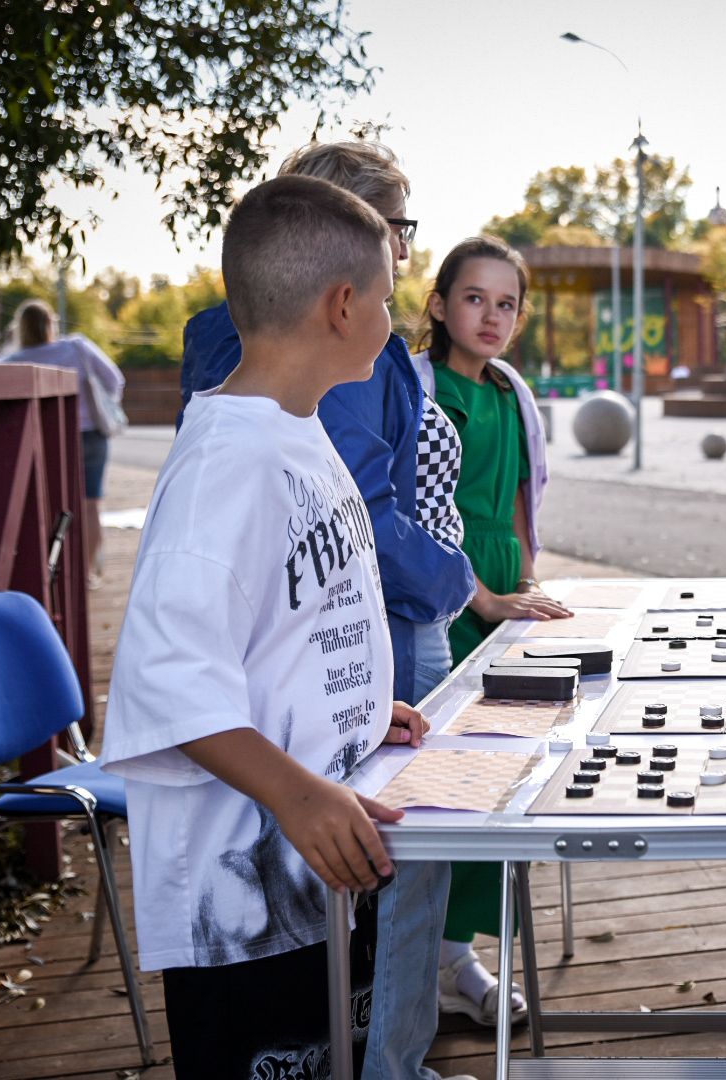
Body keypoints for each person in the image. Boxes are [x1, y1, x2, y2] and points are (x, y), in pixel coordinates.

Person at [101, 175, 472, 1078]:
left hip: (319, 867)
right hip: (243, 907)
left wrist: (355, 713)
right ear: (343, 307)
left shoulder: (299, 432)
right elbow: (170, 687)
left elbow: (287, 625)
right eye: (388, 298)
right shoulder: (223, 468)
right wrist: (300, 795)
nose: (394, 320)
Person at [417, 235, 570, 1025]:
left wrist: (527, 583)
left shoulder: (510, 392)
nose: (490, 316)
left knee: (509, 778)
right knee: (453, 785)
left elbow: (517, 501)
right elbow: (419, 509)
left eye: (506, 303)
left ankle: (456, 953)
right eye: (474, 298)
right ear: (439, 305)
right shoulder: (419, 388)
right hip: (448, 595)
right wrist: (478, 596)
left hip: (503, 584)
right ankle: (439, 960)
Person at [0, 299, 124, 585]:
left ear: (20, 328)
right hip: (91, 435)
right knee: (90, 506)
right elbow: (115, 380)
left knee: (51, 505)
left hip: (46, 440)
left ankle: (50, 572)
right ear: (51, 323)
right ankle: (86, 574)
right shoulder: (77, 347)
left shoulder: (16, 360)